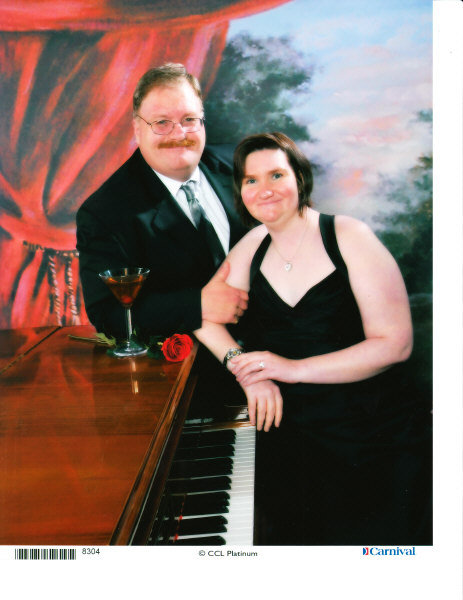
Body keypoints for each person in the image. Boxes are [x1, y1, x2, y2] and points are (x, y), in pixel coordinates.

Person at [193, 132, 432, 545]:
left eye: (276, 175)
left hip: (373, 433)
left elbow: (396, 344)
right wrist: (249, 372)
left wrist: (293, 368)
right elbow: (201, 317)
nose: (264, 189)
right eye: (251, 180)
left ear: (300, 179)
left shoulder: (348, 235)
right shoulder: (252, 245)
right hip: (292, 436)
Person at [76, 63, 249, 408]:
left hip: (283, 363)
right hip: (194, 392)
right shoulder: (105, 212)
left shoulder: (239, 168)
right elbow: (108, 315)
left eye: (189, 119)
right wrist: (197, 305)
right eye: (161, 122)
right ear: (137, 128)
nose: (178, 133)